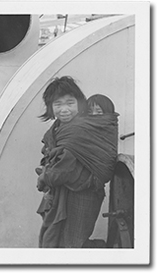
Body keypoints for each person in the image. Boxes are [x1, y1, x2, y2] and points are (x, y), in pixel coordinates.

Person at [36, 76, 119, 248]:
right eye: (58, 104)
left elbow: (64, 169)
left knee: (73, 244)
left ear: (79, 104)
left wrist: (44, 178)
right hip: (61, 193)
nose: (64, 109)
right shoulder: (58, 128)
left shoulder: (80, 129)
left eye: (70, 103)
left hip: (83, 194)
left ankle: (101, 251)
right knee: (56, 240)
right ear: (50, 107)